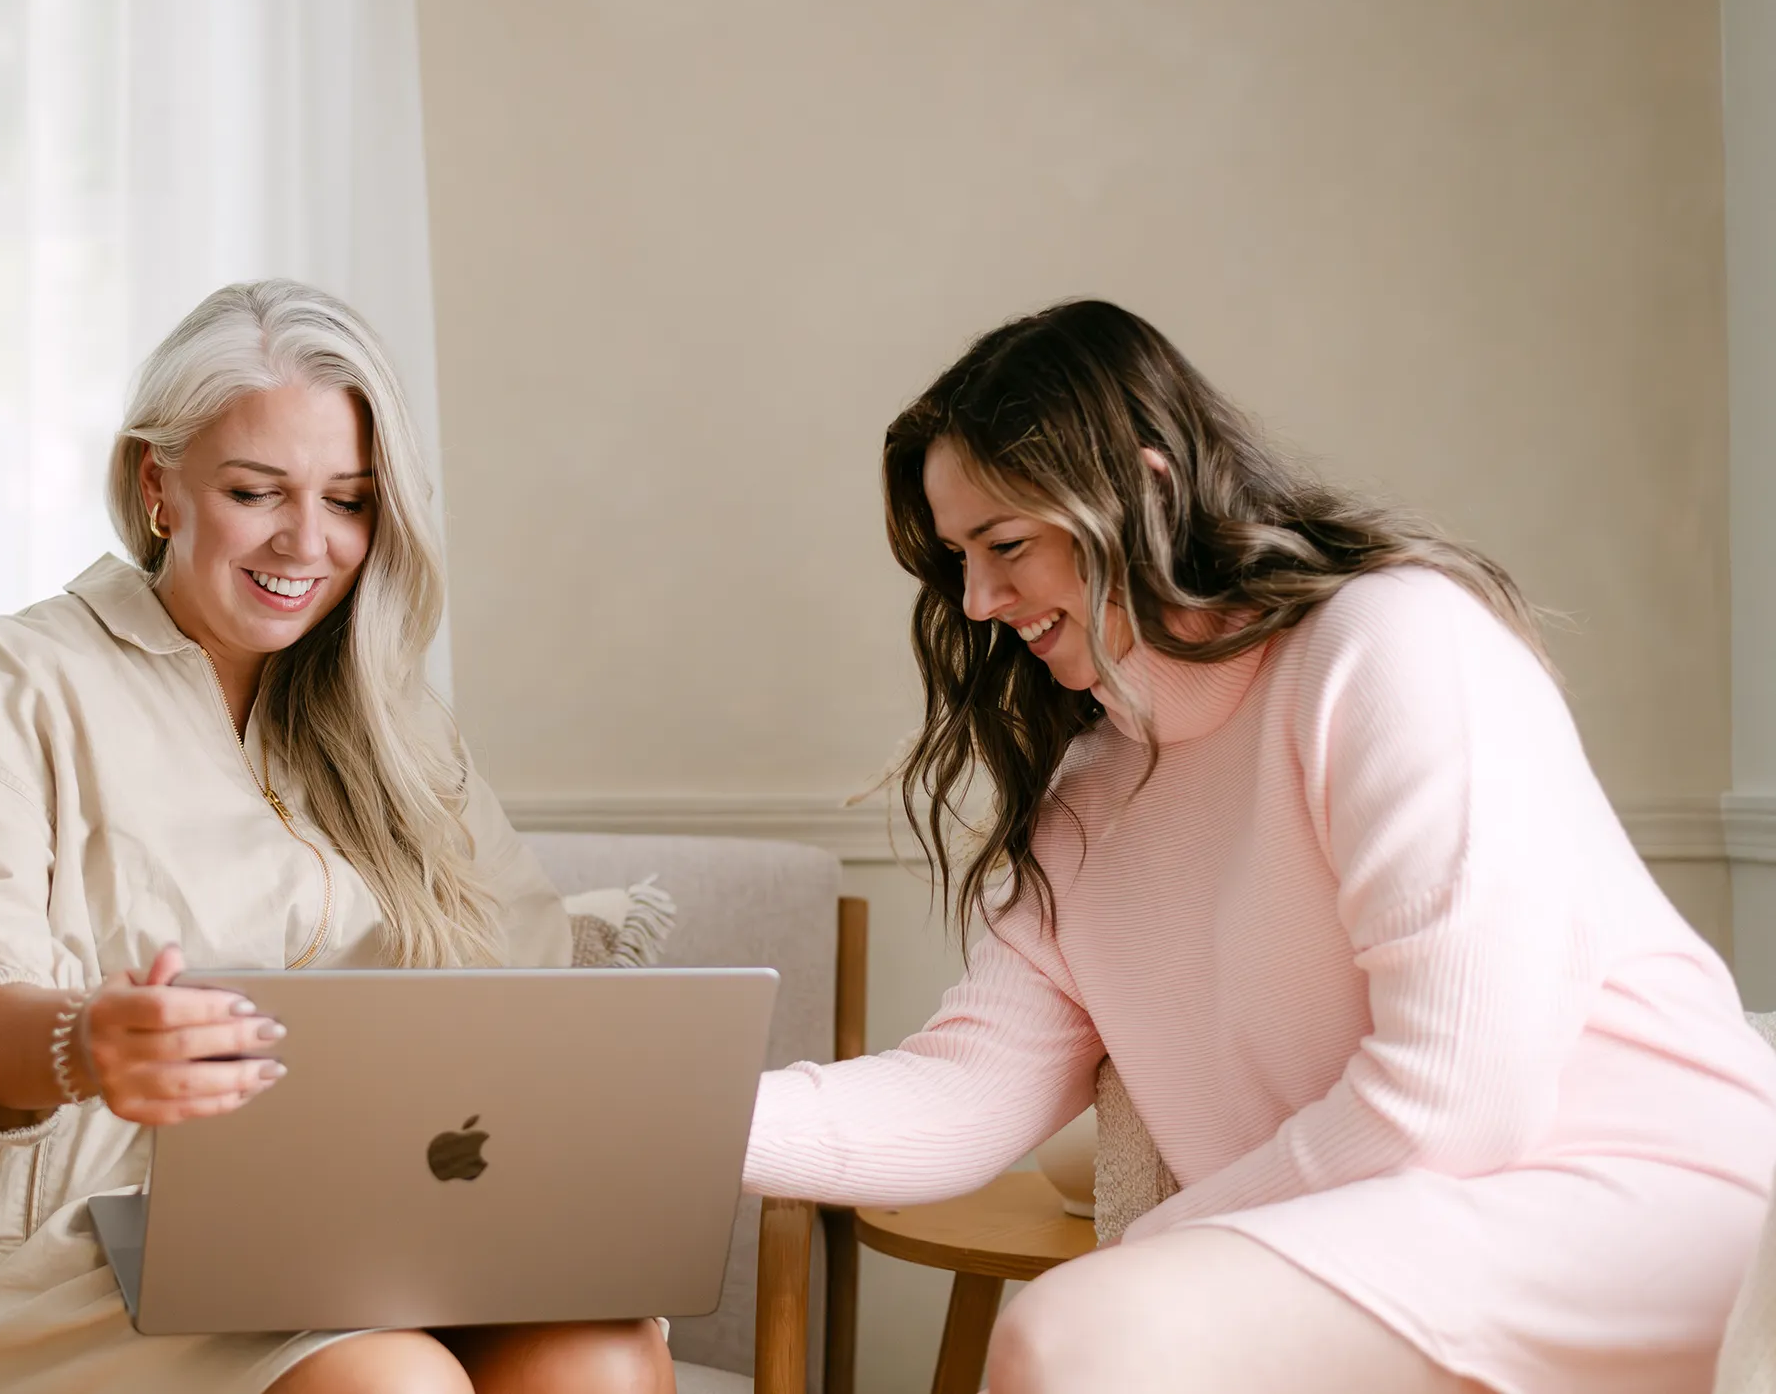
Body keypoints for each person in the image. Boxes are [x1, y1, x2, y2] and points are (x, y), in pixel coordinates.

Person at [742, 299, 1776, 1394]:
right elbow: (955, 1100)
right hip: (1406, 1231)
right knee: (1090, 1324)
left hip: (1656, 1215)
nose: (978, 600)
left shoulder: (1389, 644)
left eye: (1005, 545)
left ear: (1143, 489)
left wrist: (1159, 1245)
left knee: (1082, 1332)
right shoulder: (1088, 799)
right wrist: (642, 1119)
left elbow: (1454, 1096)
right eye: (958, 558)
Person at [0, 280, 673, 1394]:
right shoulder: (12, 684)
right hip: (68, 1247)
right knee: (391, 1383)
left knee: (600, 1356)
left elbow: (520, 971)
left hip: (357, 1221)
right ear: (158, 486)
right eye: (255, 490)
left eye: (350, 499)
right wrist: (85, 1044)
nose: (308, 542)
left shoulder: (396, 723)